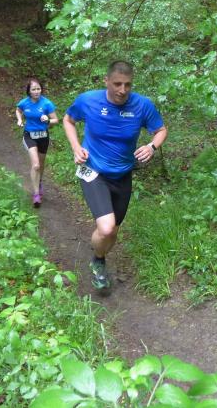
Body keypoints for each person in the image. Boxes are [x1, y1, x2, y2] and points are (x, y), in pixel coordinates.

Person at [63, 60, 167, 289]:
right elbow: (68, 120)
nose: (122, 90)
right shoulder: (88, 101)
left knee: (112, 233)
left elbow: (160, 130)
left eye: (127, 85)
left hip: (123, 174)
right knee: (107, 228)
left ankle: (98, 256)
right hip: (93, 171)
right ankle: (98, 262)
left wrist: (152, 146)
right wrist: (76, 147)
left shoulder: (142, 105)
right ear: (106, 81)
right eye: (117, 84)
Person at [16, 78, 58, 207]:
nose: (36, 91)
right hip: (29, 135)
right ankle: (36, 194)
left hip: (43, 136)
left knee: (41, 165)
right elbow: (18, 110)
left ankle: (38, 182)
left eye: (38, 89)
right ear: (29, 91)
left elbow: (56, 120)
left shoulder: (47, 103)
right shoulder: (24, 103)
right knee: (36, 165)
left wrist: (48, 120)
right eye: (33, 89)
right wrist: (19, 120)